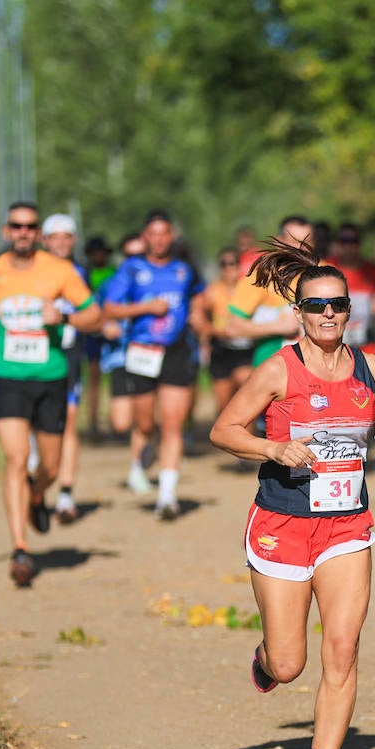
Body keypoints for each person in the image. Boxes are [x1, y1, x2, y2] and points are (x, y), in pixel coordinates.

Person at [210, 236, 375, 749]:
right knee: (290, 663)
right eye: (316, 305)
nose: (328, 314)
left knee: (342, 650)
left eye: (337, 305)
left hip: (347, 525)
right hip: (283, 525)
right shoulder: (277, 370)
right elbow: (223, 430)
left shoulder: (373, 367)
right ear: (298, 312)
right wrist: (275, 448)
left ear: (350, 309)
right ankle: (266, 661)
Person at [0, 202, 102, 586]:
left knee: (48, 468)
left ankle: (37, 495)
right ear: (5, 230)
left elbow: (94, 316)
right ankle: (20, 548)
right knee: (16, 459)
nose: (23, 232)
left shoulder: (60, 271)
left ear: (38, 233)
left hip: (51, 376)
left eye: (30, 226)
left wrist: (64, 317)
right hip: (8, 377)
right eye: (16, 226)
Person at [99, 210, 204, 519]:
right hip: (142, 351)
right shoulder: (131, 269)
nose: (159, 239)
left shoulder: (184, 269)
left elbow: (199, 295)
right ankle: (146, 450)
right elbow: (110, 309)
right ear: (145, 237)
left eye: (164, 233)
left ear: (171, 236)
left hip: (176, 351)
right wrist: (146, 307)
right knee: (145, 424)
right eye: (153, 234)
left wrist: (197, 314)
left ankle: (167, 497)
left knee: (172, 424)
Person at [40, 214, 90, 524]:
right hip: (37, 355)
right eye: (54, 236)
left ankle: (66, 494)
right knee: (39, 426)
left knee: (69, 421)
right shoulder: (34, 271)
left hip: (69, 355)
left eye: (66, 236)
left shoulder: (79, 273)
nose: (61, 242)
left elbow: (90, 313)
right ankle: (37, 488)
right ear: (44, 240)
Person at [222, 215, 309, 369]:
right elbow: (232, 328)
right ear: (278, 241)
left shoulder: (325, 275)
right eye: (294, 241)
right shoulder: (261, 276)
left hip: (316, 374)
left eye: (307, 242)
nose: (300, 248)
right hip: (273, 372)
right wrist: (278, 327)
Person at [189, 246, 252, 420]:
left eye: (233, 263)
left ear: (240, 265)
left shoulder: (249, 289)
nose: (229, 268)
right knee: (224, 404)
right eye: (224, 264)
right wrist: (215, 332)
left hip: (245, 349)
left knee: (246, 399)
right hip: (221, 349)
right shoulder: (211, 291)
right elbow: (199, 320)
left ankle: (248, 441)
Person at [325, 223, 375, 354]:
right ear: (337, 243)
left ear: (360, 243)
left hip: (365, 344)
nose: (349, 246)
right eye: (344, 241)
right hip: (332, 347)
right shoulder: (326, 268)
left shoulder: (373, 271)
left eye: (353, 241)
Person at [80, 235, 116, 439]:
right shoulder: (85, 274)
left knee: (112, 379)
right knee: (93, 379)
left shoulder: (113, 273)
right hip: (92, 333)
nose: (98, 256)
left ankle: (112, 419)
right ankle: (93, 421)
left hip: (109, 330)